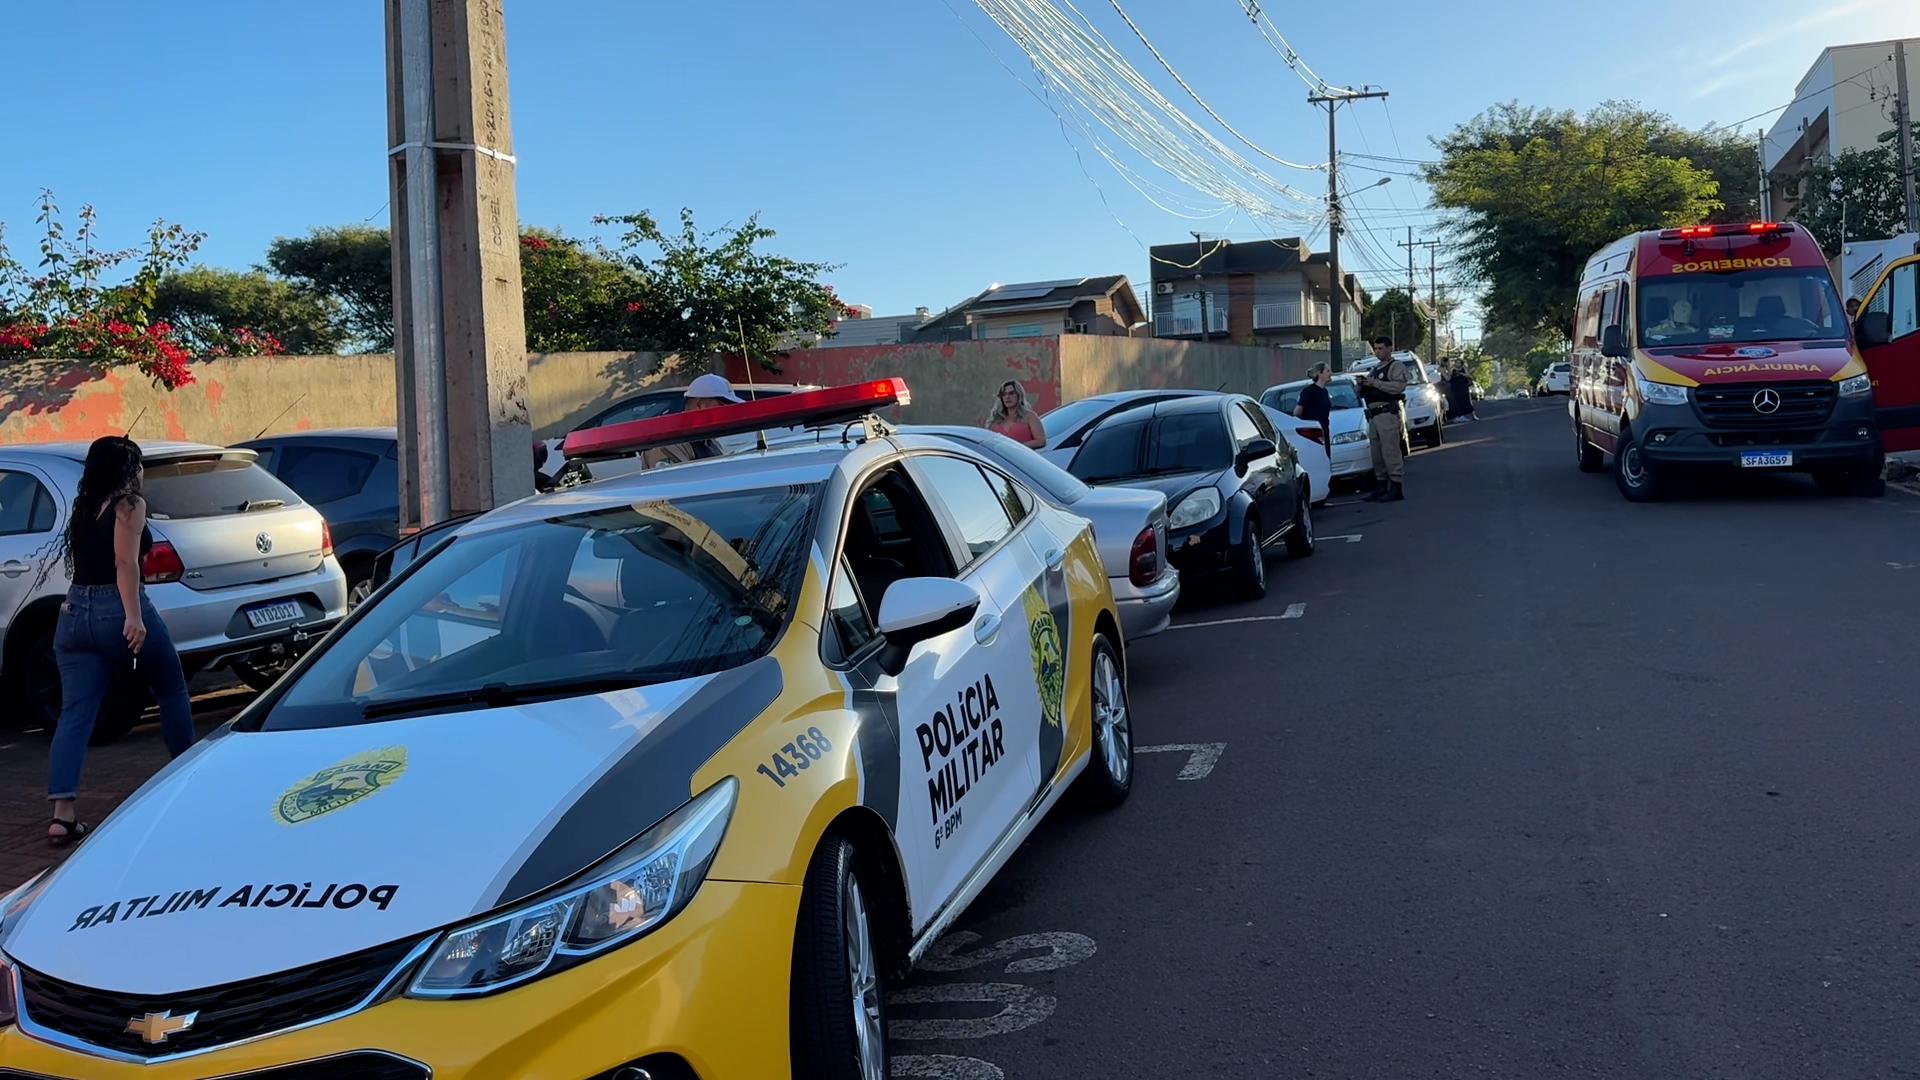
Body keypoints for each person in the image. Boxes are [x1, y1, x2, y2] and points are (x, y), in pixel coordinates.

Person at [47, 436, 195, 846]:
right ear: (130, 469)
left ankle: (62, 814)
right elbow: (125, 562)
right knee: (171, 687)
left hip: (73, 612)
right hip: (117, 608)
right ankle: (190, 778)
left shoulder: (86, 505)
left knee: (75, 712)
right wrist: (133, 617)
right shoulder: (129, 505)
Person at [642, 373, 742, 470]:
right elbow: (675, 484)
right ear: (699, 405)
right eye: (722, 406)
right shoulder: (669, 444)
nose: (727, 413)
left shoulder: (710, 443)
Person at [1358, 337, 1409, 503]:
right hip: (1374, 415)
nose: (1378, 351)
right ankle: (1381, 485)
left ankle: (1396, 486)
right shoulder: (1375, 368)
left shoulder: (1396, 366)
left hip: (1387, 413)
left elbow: (1398, 387)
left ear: (1389, 348)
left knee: (1390, 451)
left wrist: (1376, 383)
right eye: (1376, 348)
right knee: (1377, 453)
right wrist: (1363, 385)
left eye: (1381, 348)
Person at [987, 380, 1048, 450]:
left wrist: (1017, 447)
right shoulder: (996, 419)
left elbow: (1041, 441)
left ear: (1019, 395)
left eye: (1011, 393)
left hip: (1021, 458)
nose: (1007, 397)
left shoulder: (1030, 416)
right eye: (1004, 394)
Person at [1293, 362, 1334, 455]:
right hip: (1313, 432)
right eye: (1327, 371)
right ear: (1320, 373)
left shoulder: (1324, 391)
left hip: (1324, 430)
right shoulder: (1309, 392)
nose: (1331, 373)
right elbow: (1297, 412)